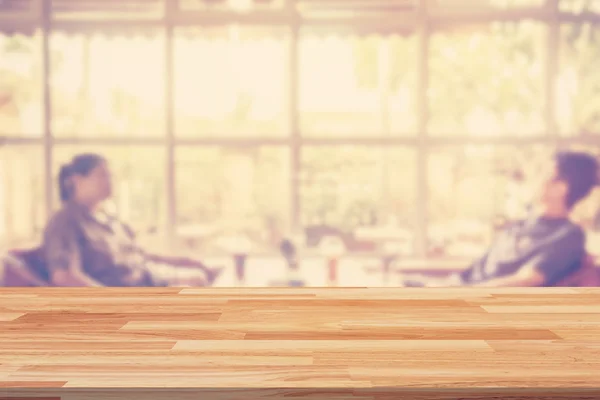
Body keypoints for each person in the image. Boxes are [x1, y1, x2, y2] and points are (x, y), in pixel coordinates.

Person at [402, 151, 599, 288]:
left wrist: (454, 293)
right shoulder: (524, 224)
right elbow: (479, 269)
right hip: (455, 286)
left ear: (561, 188)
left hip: (469, 303)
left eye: (543, 173)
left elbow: (526, 280)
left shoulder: (567, 236)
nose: (534, 178)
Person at [43, 153, 223, 287]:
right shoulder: (66, 221)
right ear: (76, 180)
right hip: (130, 293)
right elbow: (64, 276)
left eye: (110, 175)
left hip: (150, 278)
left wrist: (184, 261)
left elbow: (139, 255)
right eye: (102, 175)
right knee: (196, 283)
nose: (110, 181)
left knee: (205, 275)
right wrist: (116, 303)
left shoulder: (108, 219)